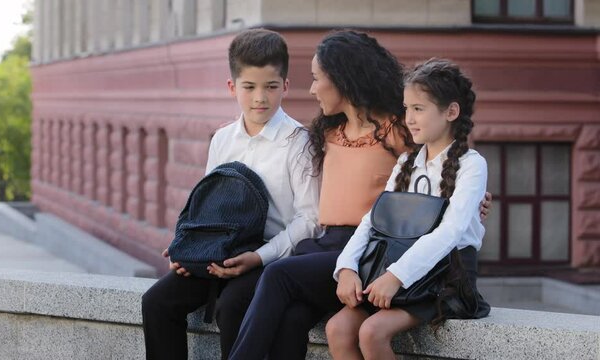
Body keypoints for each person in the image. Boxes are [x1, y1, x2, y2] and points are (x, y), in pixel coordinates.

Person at [228, 31, 492, 360]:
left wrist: (473, 203)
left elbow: (447, 184)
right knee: (285, 312)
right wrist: (346, 267)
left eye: (316, 78)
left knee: (279, 276)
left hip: (392, 254)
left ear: (343, 78)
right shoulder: (326, 132)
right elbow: (369, 209)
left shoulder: (400, 132)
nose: (310, 88)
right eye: (409, 108)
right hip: (339, 247)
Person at [141, 28, 320, 360]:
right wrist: (189, 247)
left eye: (270, 87)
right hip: (222, 251)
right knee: (157, 303)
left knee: (231, 307)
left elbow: (310, 220)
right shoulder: (222, 139)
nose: (259, 99)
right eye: (249, 87)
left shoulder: (299, 143)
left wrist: (260, 256)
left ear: (285, 86)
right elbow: (209, 207)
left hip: (270, 258)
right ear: (232, 87)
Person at [327, 58, 491, 360]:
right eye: (407, 108)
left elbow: (450, 233)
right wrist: (347, 267)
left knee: (372, 332)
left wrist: (396, 277)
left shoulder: (472, 165)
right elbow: (373, 220)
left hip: (446, 275)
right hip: (394, 264)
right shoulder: (406, 163)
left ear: (451, 112)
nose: (409, 118)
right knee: (338, 329)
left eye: (419, 108)